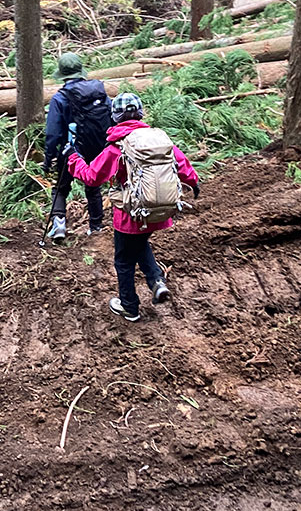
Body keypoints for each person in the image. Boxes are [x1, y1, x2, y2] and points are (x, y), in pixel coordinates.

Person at [66, 92, 200, 322]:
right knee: (140, 243)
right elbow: (180, 163)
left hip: (130, 215)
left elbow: (91, 177)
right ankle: (156, 281)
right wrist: (193, 182)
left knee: (124, 260)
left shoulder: (116, 148)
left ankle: (129, 306)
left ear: (115, 117)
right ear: (141, 114)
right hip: (158, 210)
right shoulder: (157, 140)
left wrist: (72, 158)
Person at [43, 52, 112, 241]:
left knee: (60, 188)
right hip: (99, 147)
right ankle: (96, 228)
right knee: (93, 185)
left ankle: (58, 226)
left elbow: (53, 133)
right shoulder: (99, 91)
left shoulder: (60, 98)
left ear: (62, 74)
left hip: (71, 150)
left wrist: (49, 158)